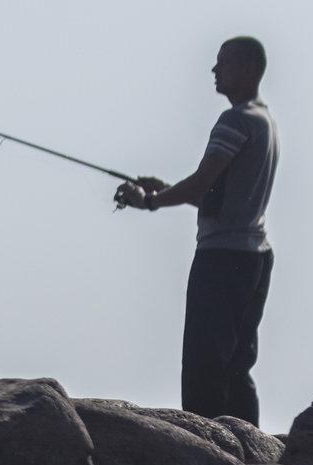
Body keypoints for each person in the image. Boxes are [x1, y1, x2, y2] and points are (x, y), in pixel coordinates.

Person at [115, 36, 278, 425]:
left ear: (248, 69)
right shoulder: (265, 120)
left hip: (222, 258)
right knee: (236, 366)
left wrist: (149, 201)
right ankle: (248, 446)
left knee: (205, 363)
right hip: (255, 256)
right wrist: (166, 188)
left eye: (223, 63)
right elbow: (223, 198)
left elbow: (203, 183)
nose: (214, 70)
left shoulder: (236, 120)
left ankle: (209, 449)